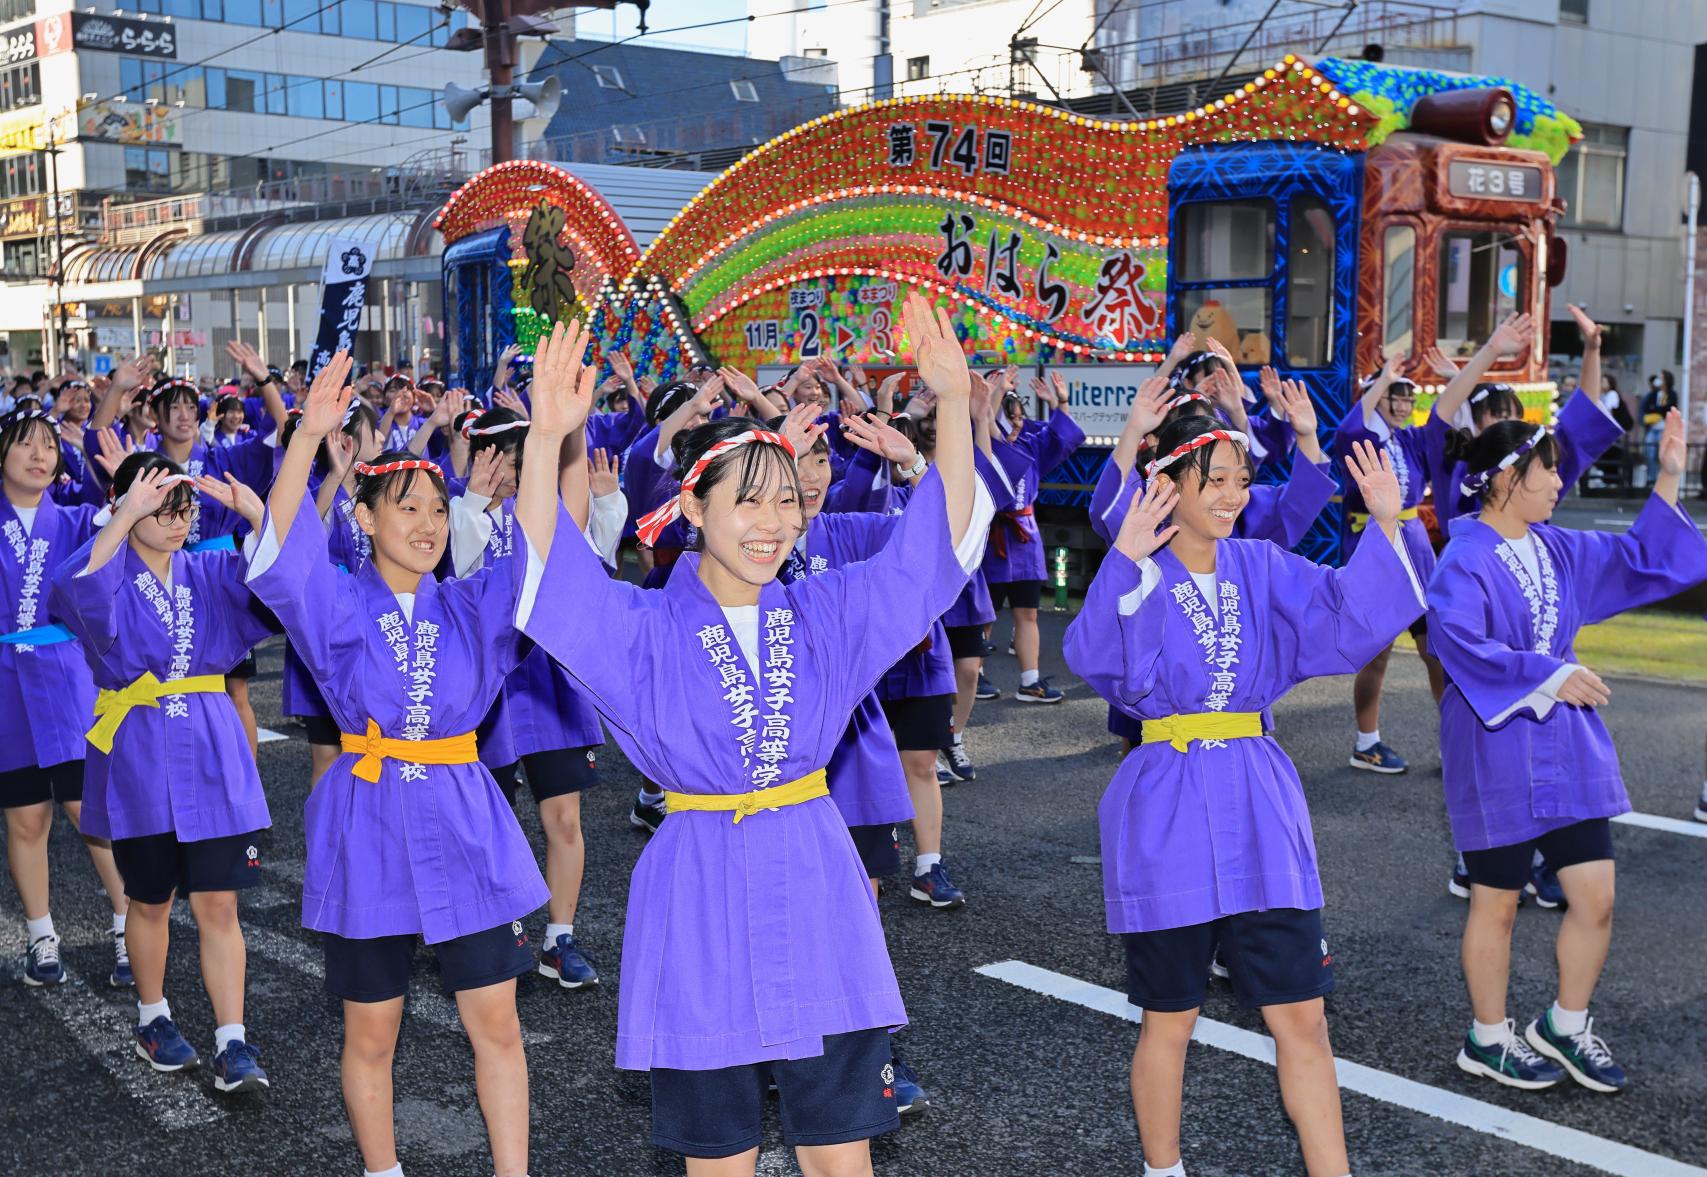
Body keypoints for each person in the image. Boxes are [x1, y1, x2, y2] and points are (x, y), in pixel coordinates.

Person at [515, 295, 992, 1174]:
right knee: (719, 1161)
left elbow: (934, 554)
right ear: (691, 507)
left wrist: (956, 404)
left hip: (818, 893)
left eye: (785, 502)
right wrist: (547, 441)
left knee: (842, 1156)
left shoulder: (825, 612)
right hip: (697, 900)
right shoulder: (640, 629)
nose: (772, 523)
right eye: (746, 502)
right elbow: (551, 579)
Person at [1065, 416, 1421, 1177]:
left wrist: (1387, 523)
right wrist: (1124, 559)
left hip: (1259, 803)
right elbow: (1102, 662)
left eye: (1240, 479)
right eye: (1214, 480)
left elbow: (1345, 611)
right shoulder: (1140, 571)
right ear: (1168, 484)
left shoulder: (1261, 564)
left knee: (1304, 1015)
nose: (1233, 494)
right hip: (1168, 803)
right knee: (1170, 1018)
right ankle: (1164, 1170)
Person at [246, 350, 555, 1177]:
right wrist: (304, 439)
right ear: (365, 515)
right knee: (372, 1030)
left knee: (498, 1023)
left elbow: (537, 556)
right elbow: (281, 553)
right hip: (369, 819)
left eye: (437, 509)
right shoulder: (339, 600)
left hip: (464, 818)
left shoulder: (471, 603)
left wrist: (548, 440)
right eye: (406, 506)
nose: (426, 523)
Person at [1428, 409, 1707, 1094]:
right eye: (1547, 469)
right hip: (1494, 748)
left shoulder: (1555, 548)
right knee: (1495, 903)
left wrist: (1669, 478)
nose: (1559, 481)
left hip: (1565, 746)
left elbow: (1637, 558)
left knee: (1596, 897)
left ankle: (1564, 1023)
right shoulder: (1463, 559)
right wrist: (1549, 675)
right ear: (1505, 479)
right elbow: (1458, 642)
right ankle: (1486, 1037)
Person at [48, 450, 277, 1094]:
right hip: (140, 751)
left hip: (209, 744)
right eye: (160, 509)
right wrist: (124, 516)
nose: (177, 521)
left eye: (184, 510)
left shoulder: (207, 570)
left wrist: (256, 517)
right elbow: (75, 590)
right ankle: (153, 1017)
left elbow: (276, 584)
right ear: (125, 508)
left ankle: (232, 1039)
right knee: (150, 899)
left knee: (220, 902)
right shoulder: (109, 567)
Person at [448, 404, 627, 991]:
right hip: (486, 686)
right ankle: (483, 929)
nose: (508, 472)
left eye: (518, 461)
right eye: (498, 459)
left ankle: (559, 938)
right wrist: (472, 503)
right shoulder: (455, 510)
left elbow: (589, 565)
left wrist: (606, 502)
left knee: (564, 816)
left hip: (547, 679)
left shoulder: (543, 511)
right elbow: (459, 575)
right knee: (487, 820)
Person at [0, 407, 131, 988]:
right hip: (6, 685)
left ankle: (128, 924)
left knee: (90, 809)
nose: (40, 456)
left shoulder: (78, 519)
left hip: (68, 680)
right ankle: (40, 934)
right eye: (25, 444)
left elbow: (125, 534)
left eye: (49, 447)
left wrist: (125, 488)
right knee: (27, 817)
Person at [1333, 353, 1447, 773]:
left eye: (1407, 397)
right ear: (1376, 397)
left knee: (1436, 650)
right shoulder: (1361, 439)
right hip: (1375, 547)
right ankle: (1367, 742)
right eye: (1395, 396)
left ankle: (1454, 741)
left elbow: (1444, 424)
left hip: (1416, 550)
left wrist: (1456, 377)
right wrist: (1382, 379)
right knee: (1376, 652)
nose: (1403, 405)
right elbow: (1349, 427)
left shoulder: (1408, 440)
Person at [985, 371, 1084, 703]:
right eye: (1009, 417)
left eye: (1019, 417)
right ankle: (975, 673)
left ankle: (1030, 680)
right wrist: (996, 392)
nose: (1016, 423)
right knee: (985, 613)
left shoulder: (1029, 445)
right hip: (992, 538)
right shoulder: (982, 444)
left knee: (1027, 612)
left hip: (1025, 538)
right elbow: (982, 422)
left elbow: (1063, 438)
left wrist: (1060, 402)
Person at [1639, 370, 1678, 487]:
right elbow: (1647, 408)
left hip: (1664, 429)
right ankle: (1651, 479)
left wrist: (1657, 409)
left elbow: (1669, 408)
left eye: (1661, 378)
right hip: (1653, 427)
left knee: (1662, 455)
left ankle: (1662, 480)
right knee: (1650, 453)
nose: (1659, 380)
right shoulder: (1653, 394)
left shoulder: (1672, 394)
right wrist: (1659, 410)